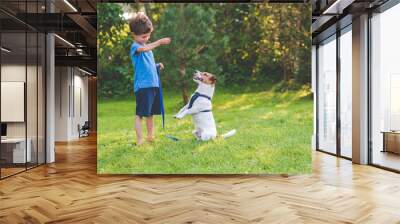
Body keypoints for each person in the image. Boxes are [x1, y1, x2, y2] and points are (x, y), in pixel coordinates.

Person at [129, 12, 171, 145]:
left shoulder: (147, 47)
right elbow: (144, 49)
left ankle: (150, 136)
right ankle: (140, 139)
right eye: (143, 36)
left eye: (148, 36)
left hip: (153, 84)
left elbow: (147, 64)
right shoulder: (135, 47)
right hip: (143, 86)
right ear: (133, 35)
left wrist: (156, 65)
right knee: (140, 114)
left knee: (150, 113)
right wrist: (158, 42)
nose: (147, 38)